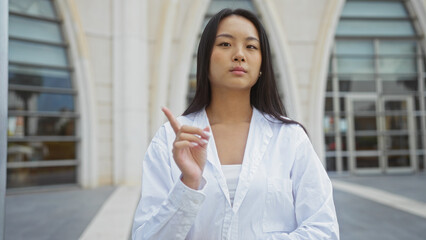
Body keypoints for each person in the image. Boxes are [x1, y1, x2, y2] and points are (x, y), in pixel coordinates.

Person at [132, 8, 339, 240]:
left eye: (251, 47)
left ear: (262, 65)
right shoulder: (172, 140)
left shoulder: (290, 138)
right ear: (205, 60)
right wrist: (188, 183)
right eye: (225, 44)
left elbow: (324, 230)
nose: (239, 55)